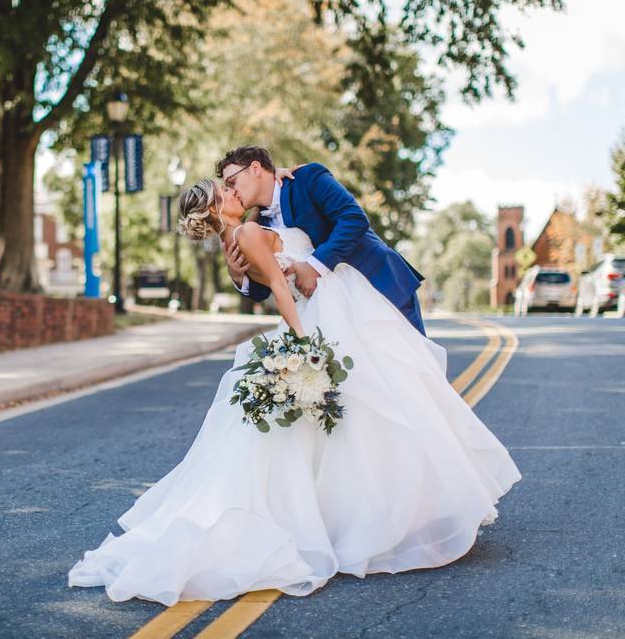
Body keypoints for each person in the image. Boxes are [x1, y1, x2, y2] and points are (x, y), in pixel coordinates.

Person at [66, 176, 521, 607]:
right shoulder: (243, 233)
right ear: (215, 207)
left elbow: (276, 247)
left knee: (370, 413)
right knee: (370, 413)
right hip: (323, 316)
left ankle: (373, 516)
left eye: (232, 180)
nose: (232, 188)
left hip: (339, 307)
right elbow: (281, 289)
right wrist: (306, 347)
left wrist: (276, 175)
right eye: (225, 188)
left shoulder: (246, 230)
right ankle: (376, 520)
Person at [219, 146, 427, 335]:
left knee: (415, 370)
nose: (231, 191)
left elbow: (353, 219)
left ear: (255, 168)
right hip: (335, 316)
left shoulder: (306, 178)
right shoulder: (257, 226)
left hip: (378, 283)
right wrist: (238, 276)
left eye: (231, 182)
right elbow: (268, 288)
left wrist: (314, 266)